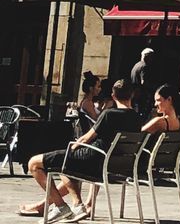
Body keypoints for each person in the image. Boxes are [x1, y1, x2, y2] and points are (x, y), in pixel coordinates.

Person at [20, 78, 142, 220]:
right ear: (131, 95)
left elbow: (86, 138)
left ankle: (62, 206)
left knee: (35, 163)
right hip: (113, 164)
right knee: (68, 163)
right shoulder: (136, 118)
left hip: (94, 158)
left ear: (113, 96)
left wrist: (73, 146)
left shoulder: (109, 114)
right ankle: (63, 205)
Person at [130, 47, 160, 117]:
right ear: (147, 56)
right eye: (151, 57)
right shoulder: (145, 66)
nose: (152, 59)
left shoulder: (136, 65)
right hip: (141, 95)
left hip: (135, 94)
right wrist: (155, 87)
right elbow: (144, 82)